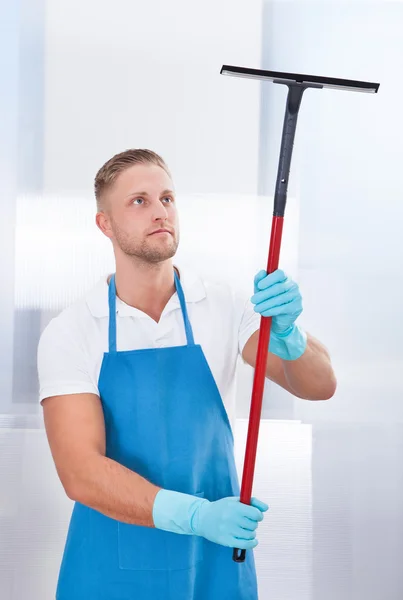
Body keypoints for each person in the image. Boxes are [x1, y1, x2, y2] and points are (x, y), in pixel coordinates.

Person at [37, 149, 337, 599]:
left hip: (213, 564)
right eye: (139, 201)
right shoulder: (74, 330)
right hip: (112, 567)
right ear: (105, 224)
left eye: (167, 198)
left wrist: (290, 335)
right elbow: (81, 472)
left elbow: (318, 385)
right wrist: (199, 517)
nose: (160, 212)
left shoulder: (223, 305)